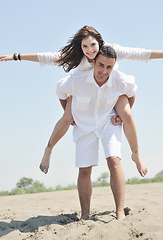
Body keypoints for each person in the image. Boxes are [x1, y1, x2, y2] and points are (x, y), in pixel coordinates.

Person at [0, 25, 163, 175]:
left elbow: (142, 54)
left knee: (127, 113)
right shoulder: (75, 57)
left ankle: (136, 155)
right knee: (66, 118)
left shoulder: (111, 51)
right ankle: (48, 149)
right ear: (80, 47)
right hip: (83, 91)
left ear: (100, 42)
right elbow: (46, 57)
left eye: (93, 45)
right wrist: (16, 57)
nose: (89, 50)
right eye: (85, 46)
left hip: (110, 89)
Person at [56, 45, 138, 220]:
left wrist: (123, 115)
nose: (104, 71)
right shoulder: (76, 80)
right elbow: (61, 93)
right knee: (85, 169)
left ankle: (119, 212)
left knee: (114, 161)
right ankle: (85, 215)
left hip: (109, 119)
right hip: (85, 123)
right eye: (101, 65)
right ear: (93, 62)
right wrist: (71, 116)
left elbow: (132, 93)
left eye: (109, 67)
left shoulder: (120, 80)